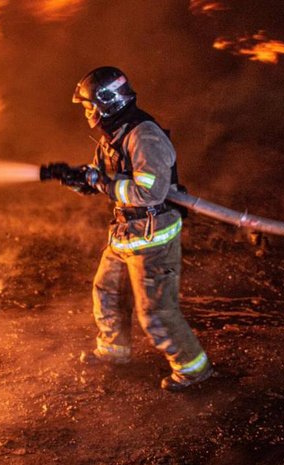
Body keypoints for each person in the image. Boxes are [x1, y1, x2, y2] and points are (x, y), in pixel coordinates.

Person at [64, 66, 212, 391]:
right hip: (125, 235)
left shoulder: (144, 136)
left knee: (156, 313)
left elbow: (149, 192)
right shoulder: (114, 136)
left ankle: (193, 370)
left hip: (153, 237)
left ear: (107, 103)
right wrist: (79, 180)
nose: (88, 114)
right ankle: (113, 351)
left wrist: (101, 182)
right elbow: (105, 178)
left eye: (90, 107)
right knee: (108, 293)